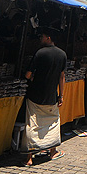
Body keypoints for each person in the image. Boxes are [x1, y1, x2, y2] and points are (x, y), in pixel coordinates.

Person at [21, 27, 67, 166]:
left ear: (48, 38)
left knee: (32, 124)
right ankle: (53, 151)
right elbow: (62, 77)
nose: (40, 39)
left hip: (35, 95)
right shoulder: (62, 55)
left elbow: (28, 75)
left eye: (42, 36)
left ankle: (29, 157)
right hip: (51, 95)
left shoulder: (39, 53)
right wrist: (61, 95)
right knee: (52, 123)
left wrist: (33, 77)